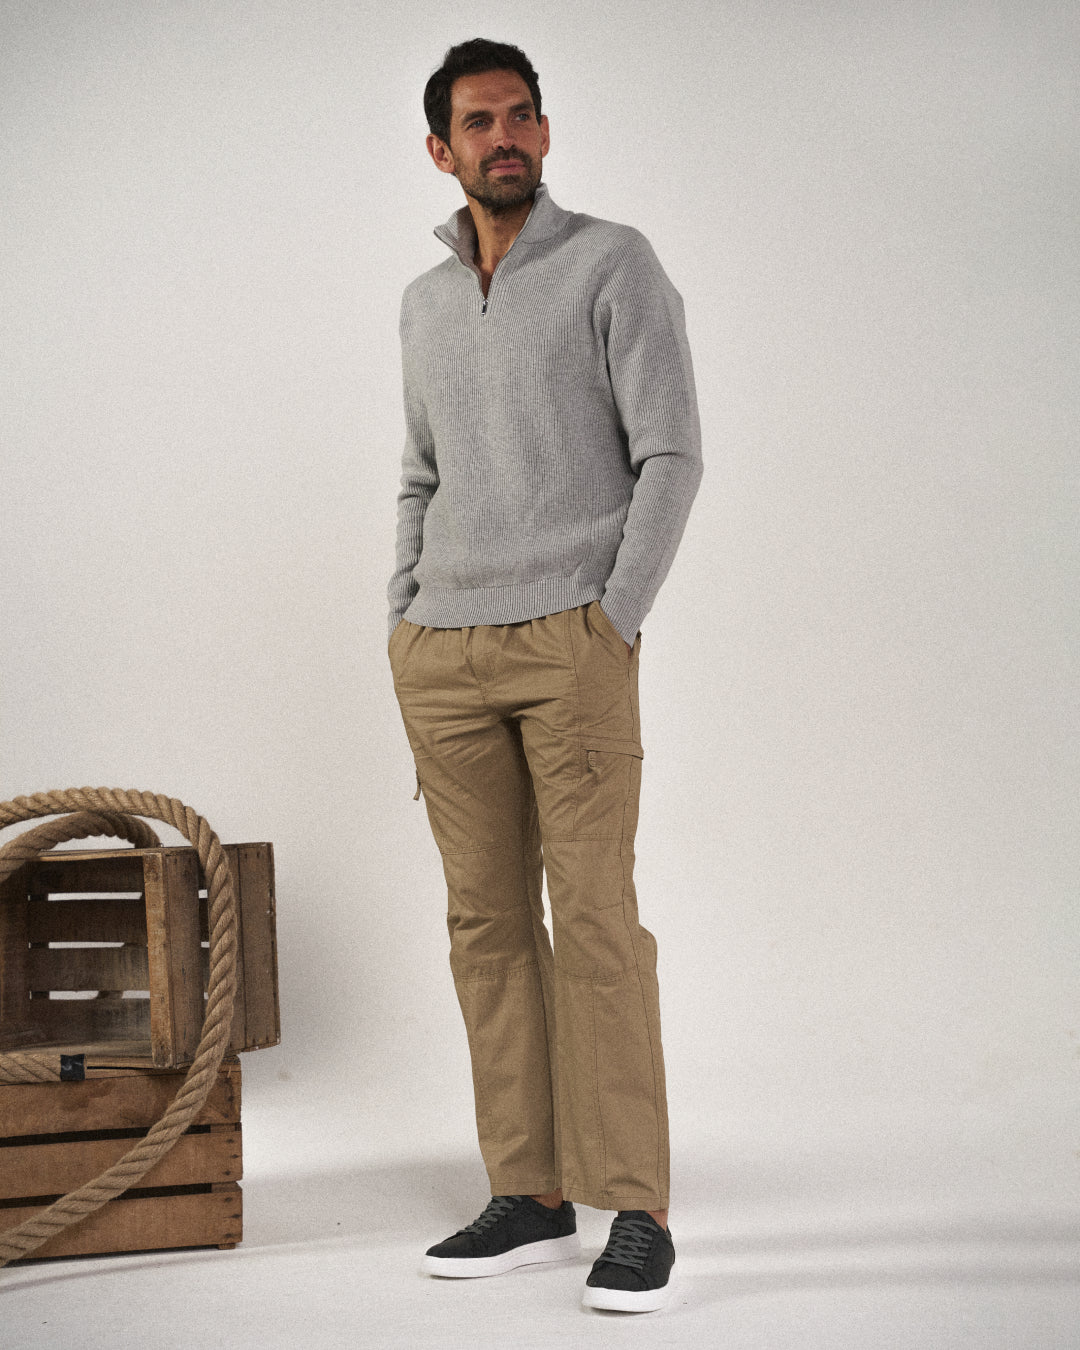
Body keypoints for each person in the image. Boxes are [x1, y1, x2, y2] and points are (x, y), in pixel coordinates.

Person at [386, 37, 702, 1313]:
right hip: (443, 652)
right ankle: (529, 1191)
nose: (504, 136)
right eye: (479, 121)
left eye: (522, 115)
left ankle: (637, 1207)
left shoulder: (612, 261)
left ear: (545, 133)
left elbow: (671, 454)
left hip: (571, 640)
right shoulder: (420, 300)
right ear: (441, 149)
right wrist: (405, 612)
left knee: (598, 926)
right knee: (485, 928)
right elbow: (419, 474)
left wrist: (612, 616)